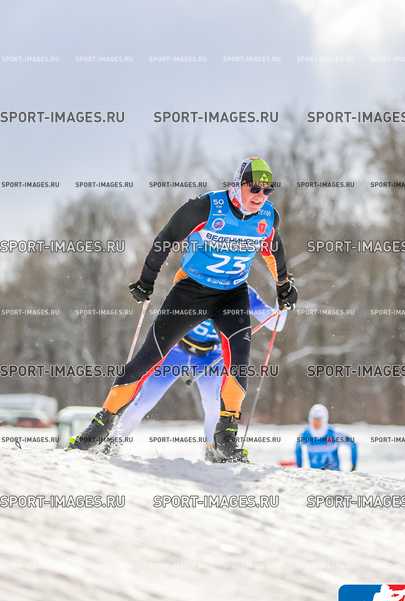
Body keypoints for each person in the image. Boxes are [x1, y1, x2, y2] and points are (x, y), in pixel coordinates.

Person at [69, 156, 297, 461]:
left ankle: (226, 436)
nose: (260, 195)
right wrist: (147, 280)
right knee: (148, 357)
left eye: (267, 190)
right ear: (237, 184)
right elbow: (166, 239)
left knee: (239, 364)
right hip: (192, 292)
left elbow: (273, 250)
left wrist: (284, 285)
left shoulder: (267, 217)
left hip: (232, 296)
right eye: (254, 187)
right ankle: (101, 425)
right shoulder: (206, 207)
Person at [103, 286, 287, 461]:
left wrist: (282, 297)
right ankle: (112, 443)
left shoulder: (245, 292)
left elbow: (275, 323)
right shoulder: (200, 277)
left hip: (209, 357)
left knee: (214, 405)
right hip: (176, 351)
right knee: (144, 401)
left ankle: (213, 450)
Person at [295, 403, 357, 471]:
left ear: (324, 419)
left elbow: (352, 444)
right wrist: (299, 467)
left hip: (334, 475)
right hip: (315, 475)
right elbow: (298, 447)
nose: (316, 422)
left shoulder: (334, 434)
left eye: (319, 419)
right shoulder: (306, 435)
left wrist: (353, 466)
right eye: (314, 419)